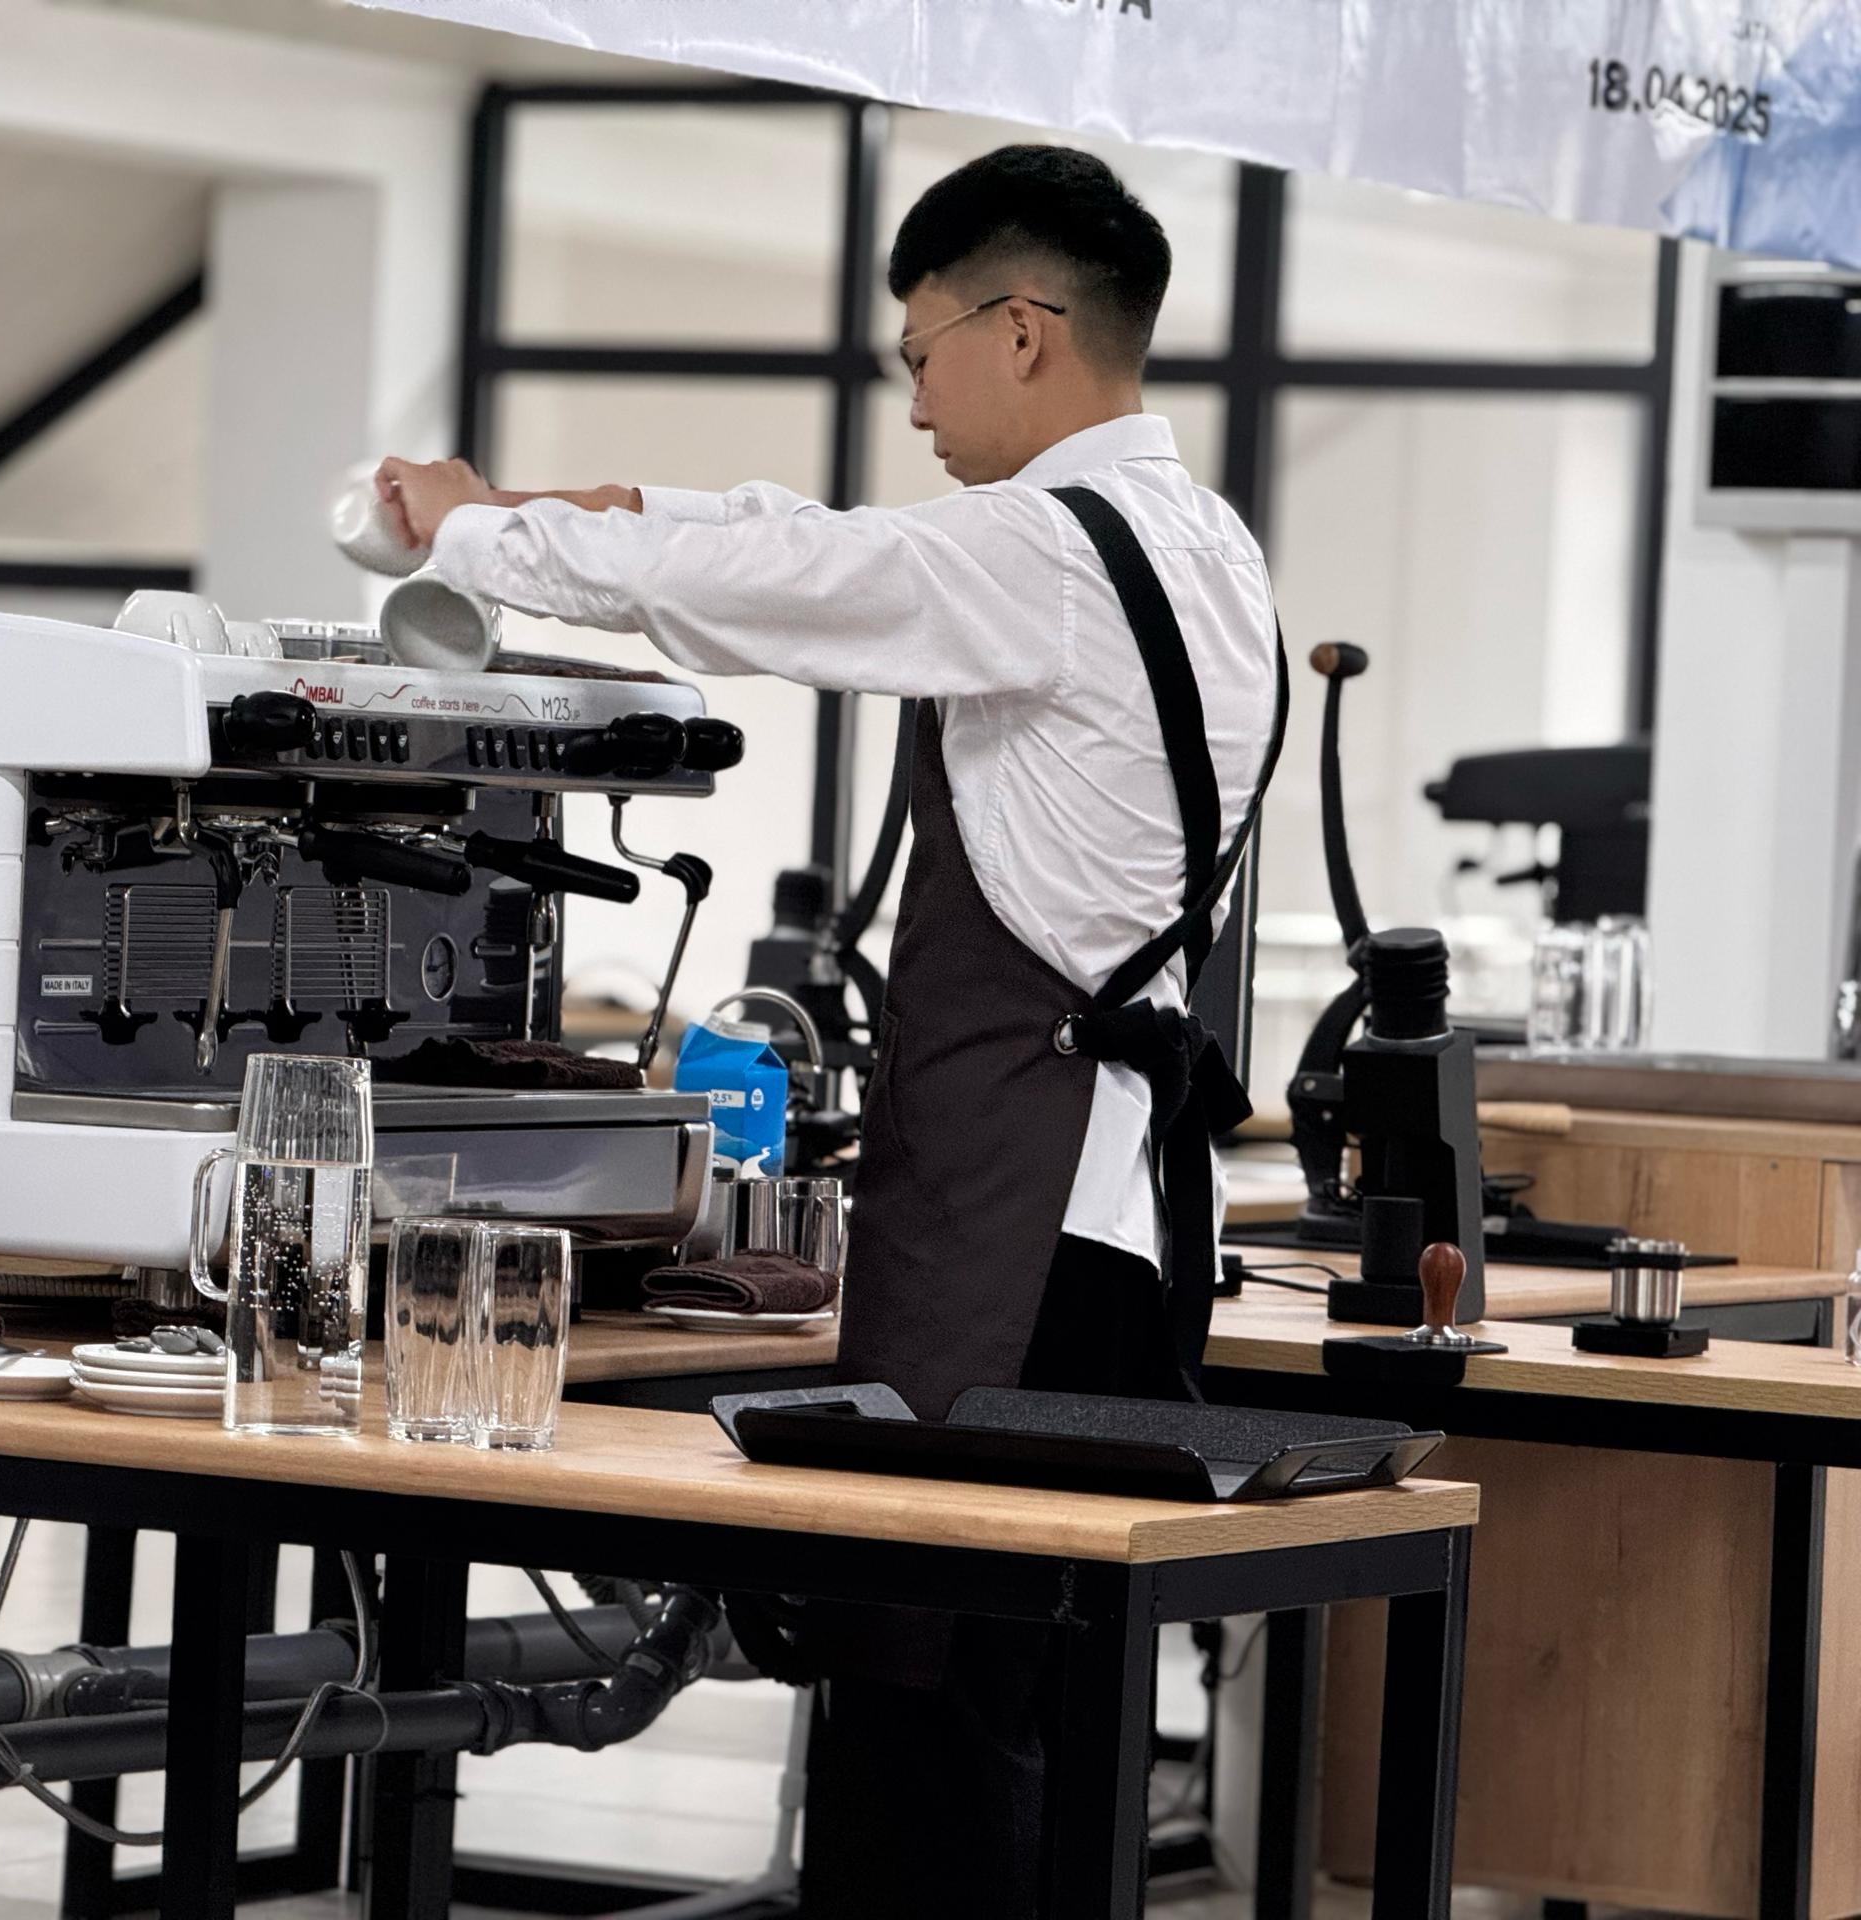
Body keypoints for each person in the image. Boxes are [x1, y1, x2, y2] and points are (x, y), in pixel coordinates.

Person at [378, 143, 1287, 1914]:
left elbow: (788, 584)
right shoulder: (1205, 541)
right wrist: (550, 503)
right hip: (1119, 1233)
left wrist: (475, 536)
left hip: (1015, 1239)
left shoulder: (1042, 551)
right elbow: (790, 536)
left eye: (921, 354)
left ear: (1023, 329)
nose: (918, 400)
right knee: (1031, 1725)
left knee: (932, 1740)